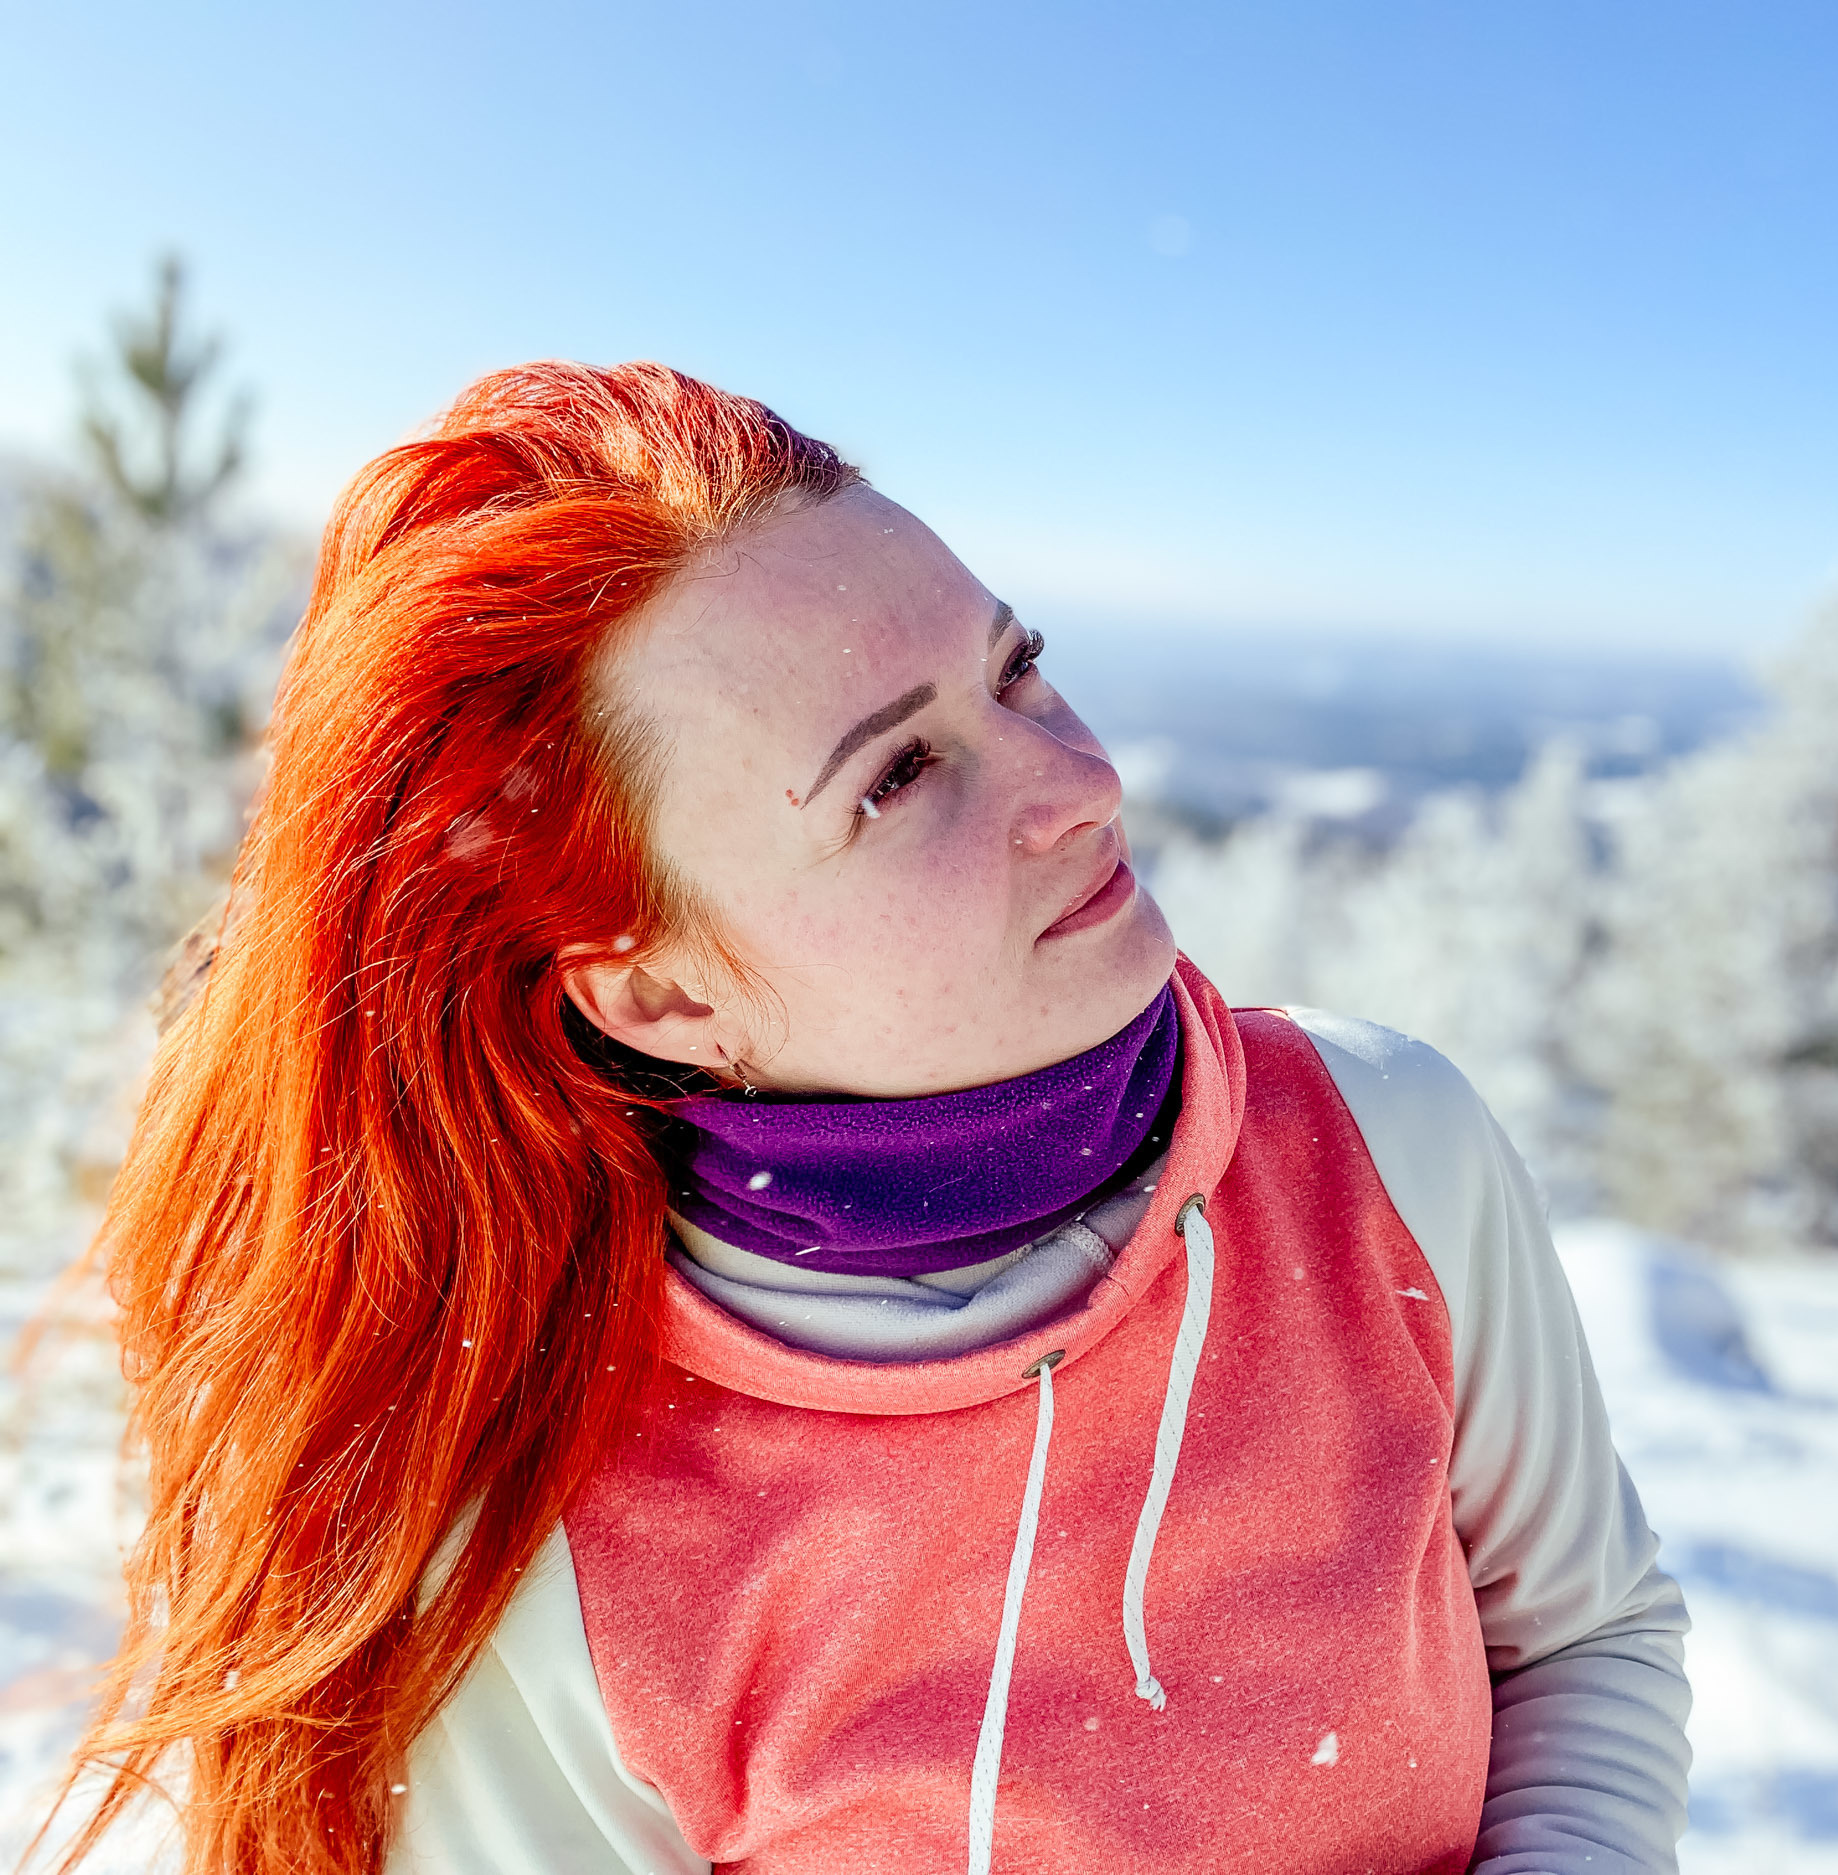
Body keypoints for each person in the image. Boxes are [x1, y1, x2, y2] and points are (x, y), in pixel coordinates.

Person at [64, 362, 1691, 1875]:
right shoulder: (544, 1543)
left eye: (1017, 668)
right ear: (661, 994)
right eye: (899, 777)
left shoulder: (1382, 1149)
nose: (1080, 785)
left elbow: (1584, 1634)